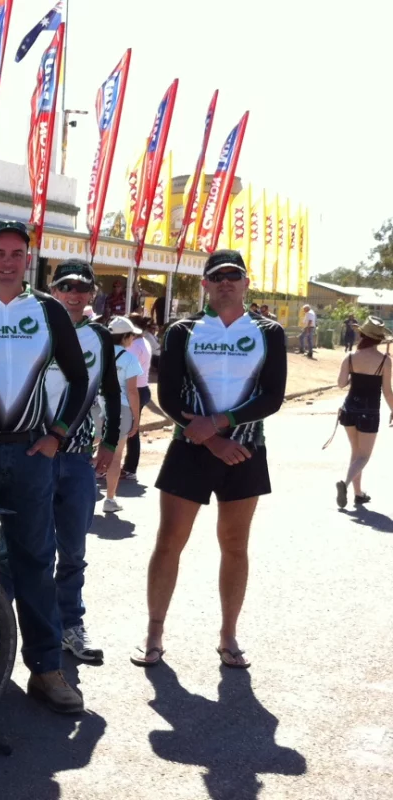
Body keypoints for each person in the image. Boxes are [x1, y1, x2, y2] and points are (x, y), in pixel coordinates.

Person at [0, 219, 89, 714]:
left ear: (28, 260)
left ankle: (46, 669)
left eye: (16, 254)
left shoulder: (48, 310)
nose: (7, 262)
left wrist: (57, 435)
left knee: (34, 561)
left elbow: (79, 379)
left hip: (33, 454)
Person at [132, 249, 286, 669]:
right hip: (192, 448)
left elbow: (272, 396)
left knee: (235, 546)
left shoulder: (269, 332)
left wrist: (221, 422)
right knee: (169, 542)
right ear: (205, 284)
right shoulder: (183, 330)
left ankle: (228, 635)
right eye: (217, 276)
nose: (225, 282)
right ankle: (154, 632)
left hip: (245, 450)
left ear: (246, 283)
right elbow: (168, 396)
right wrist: (213, 440)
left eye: (233, 275)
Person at [43, 260, 121, 663]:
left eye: (82, 288)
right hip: (33, 455)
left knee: (72, 552)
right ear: (53, 290)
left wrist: (110, 440)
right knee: (15, 550)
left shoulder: (100, 336)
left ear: (92, 294)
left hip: (76, 459)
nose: (74, 294)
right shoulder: (34, 326)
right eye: (66, 286)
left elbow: (110, 389)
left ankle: (70, 625)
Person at [333, 316, 393, 508]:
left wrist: (355, 376)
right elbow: (387, 391)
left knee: (356, 453)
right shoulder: (385, 361)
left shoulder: (350, 357)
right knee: (364, 456)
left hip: (349, 409)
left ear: (362, 335)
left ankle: (358, 494)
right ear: (378, 339)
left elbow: (341, 384)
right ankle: (345, 483)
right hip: (370, 412)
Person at [102, 317, 143, 513]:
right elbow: (132, 391)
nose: (133, 338)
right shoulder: (129, 359)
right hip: (120, 409)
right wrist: (136, 419)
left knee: (85, 451)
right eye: (132, 335)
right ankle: (110, 499)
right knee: (115, 455)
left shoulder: (97, 353)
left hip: (94, 406)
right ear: (125, 337)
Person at [121, 313, 154, 481]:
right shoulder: (143, 342)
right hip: (141, 389)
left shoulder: (134, 345)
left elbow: (126, 370)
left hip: (134, 390)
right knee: (131, 430)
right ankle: (128, 467)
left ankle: (129, 468)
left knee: (131, 431)